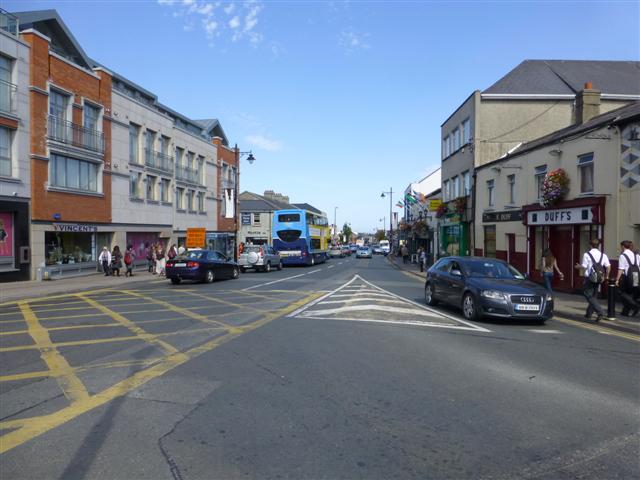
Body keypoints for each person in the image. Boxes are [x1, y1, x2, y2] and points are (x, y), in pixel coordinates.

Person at [577, 238, 610, 322]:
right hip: (599, 278)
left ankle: (600, 312)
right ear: (598, 246)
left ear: (590, 245)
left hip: (590, 278)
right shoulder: (603, 255)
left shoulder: (587, 254)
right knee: (593, 296)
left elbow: (584, 266)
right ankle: (589, 313)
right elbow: (608, 266)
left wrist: (578, 266)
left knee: (587, 294)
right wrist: (606, 276)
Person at [614, 240, 640, 317]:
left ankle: (635, 306)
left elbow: (621, 269)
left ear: (623, 246)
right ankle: (625, 311)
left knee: (621, 293)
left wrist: (617, 279)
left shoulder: (623, 256)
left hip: (627, 277)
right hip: (636, 276)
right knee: (631, 293)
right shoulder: (637, 256)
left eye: (621, 247)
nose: (620, 248)